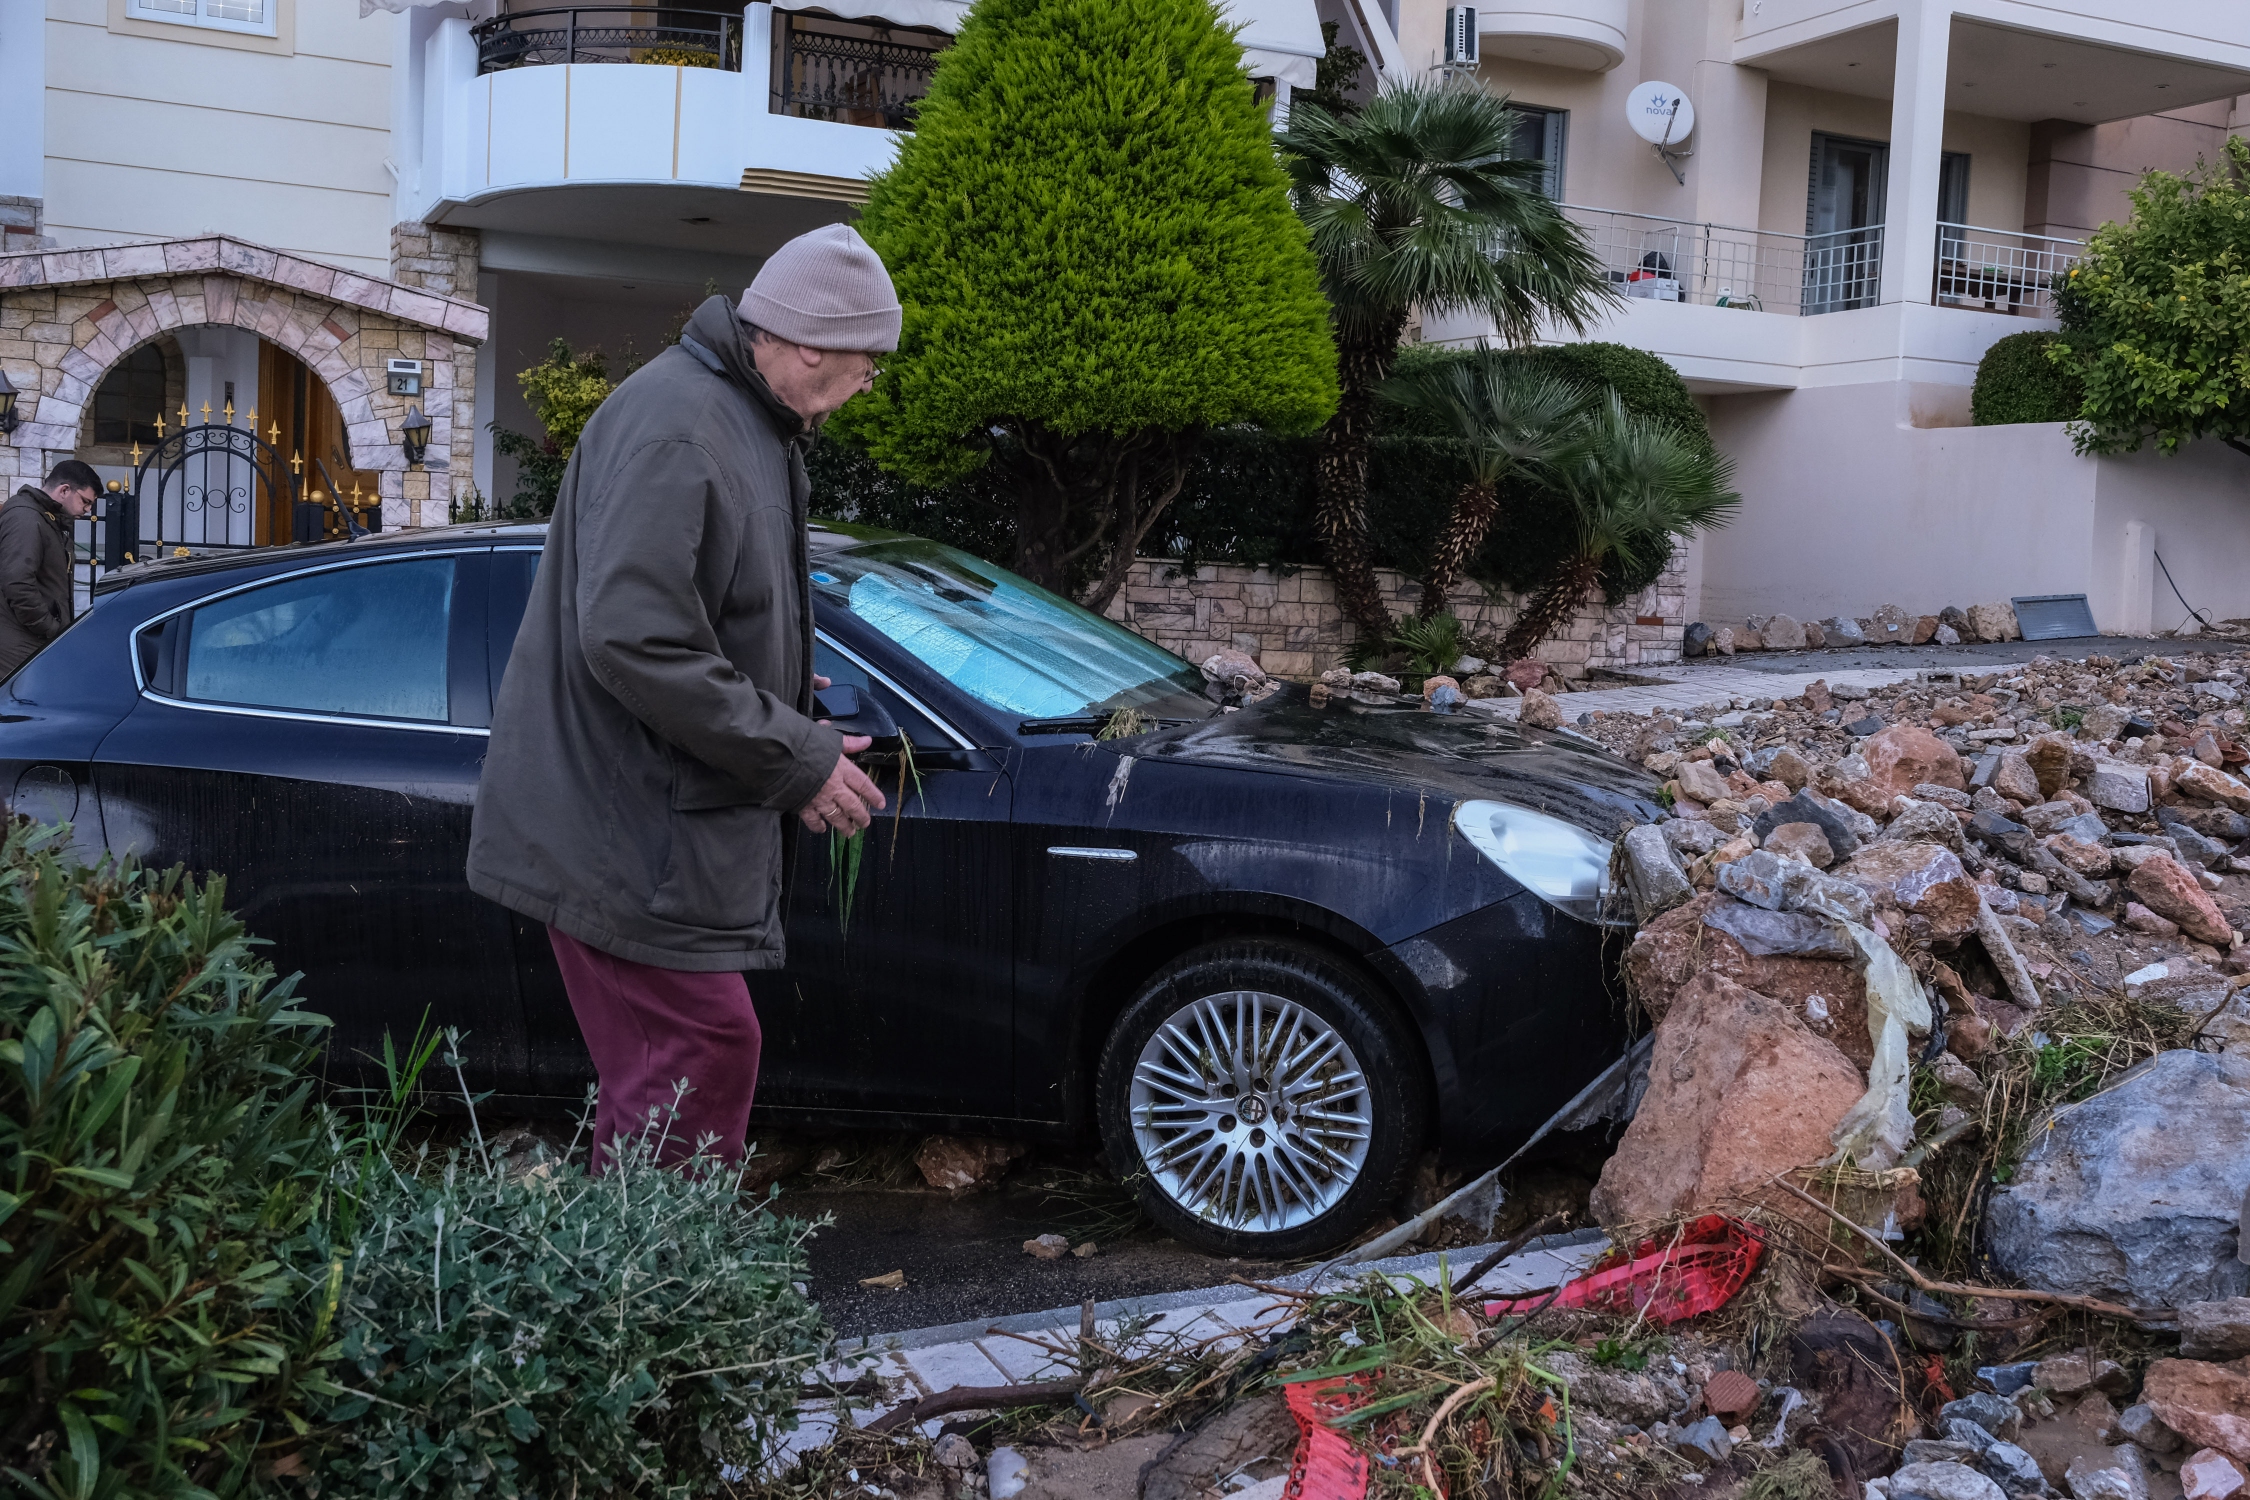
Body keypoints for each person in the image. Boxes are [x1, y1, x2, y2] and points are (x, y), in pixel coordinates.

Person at [467, 224, 896, 1170]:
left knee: (674, 1068)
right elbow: (635, 638)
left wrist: (776, 680)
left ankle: (641, 1261)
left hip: (641, 824)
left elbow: (689, 611)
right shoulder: (684, 427)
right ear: (811, 344)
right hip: (623, 832)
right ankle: (663, 1264)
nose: (869, 384)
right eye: (868, 362)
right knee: (696, 1055)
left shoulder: (735, 419)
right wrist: (796, 756)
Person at [0, 460, 99, 678]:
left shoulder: (48, 520)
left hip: (29, 643)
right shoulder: (26, 517)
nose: (88, 509)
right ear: (64, 490)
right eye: (85, 501)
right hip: (18, 648)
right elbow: (17, 583)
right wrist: (50, 630)